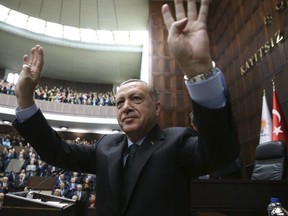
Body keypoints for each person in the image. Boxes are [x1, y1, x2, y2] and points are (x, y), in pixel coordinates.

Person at [12, 0, 239, 216]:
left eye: (136, 99)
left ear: (157, 108)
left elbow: (220, 153)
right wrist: (25, 101)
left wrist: (199, 73)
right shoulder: (106, 146)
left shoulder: (177, 142)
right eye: (120, 102)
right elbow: (56, 151)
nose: (126, 107)